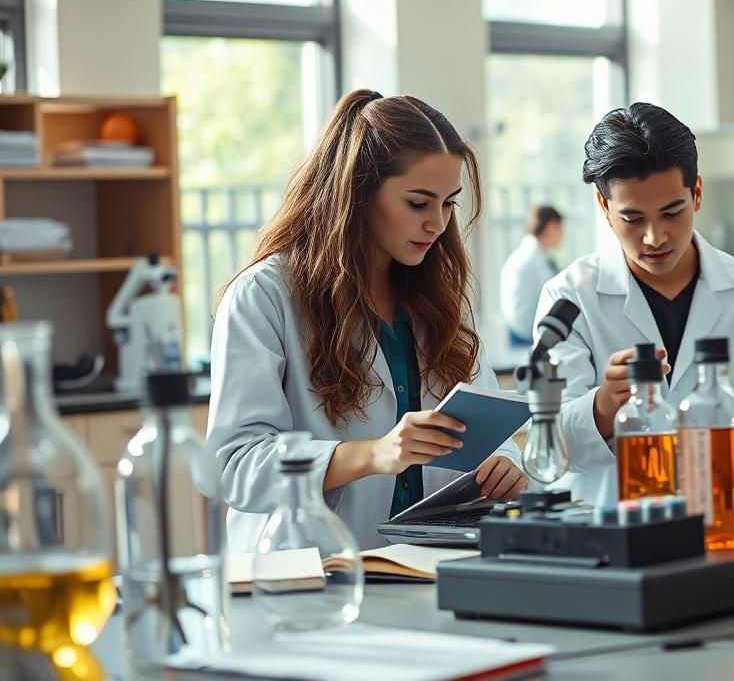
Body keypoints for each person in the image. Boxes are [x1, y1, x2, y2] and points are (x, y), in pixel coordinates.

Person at [208, 90, 528, 552]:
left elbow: (489, 434)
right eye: (418, 203)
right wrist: (372, 455)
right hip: (315, 572)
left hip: (430, 562)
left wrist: (504, 464)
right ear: (356, 193)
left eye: (448, 204)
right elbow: (233, 466)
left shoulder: (439, 298)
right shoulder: (266, 295)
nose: (437, 225)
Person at [534, 102, 734, 506]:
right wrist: (605, 404)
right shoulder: (569, 297)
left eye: (671, 212)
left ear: (696, 193)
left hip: (724, 521)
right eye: (633, 218)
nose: (654, 237)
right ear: (604, 207)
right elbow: (550, 447)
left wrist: (709, 451)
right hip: (610, 526)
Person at [500, 205, 564, 347]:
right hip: (526, 338)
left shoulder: (530, 256)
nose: (563, 234)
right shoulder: (531, 261)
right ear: (552, 226)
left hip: (522, 333)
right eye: (560, 228)